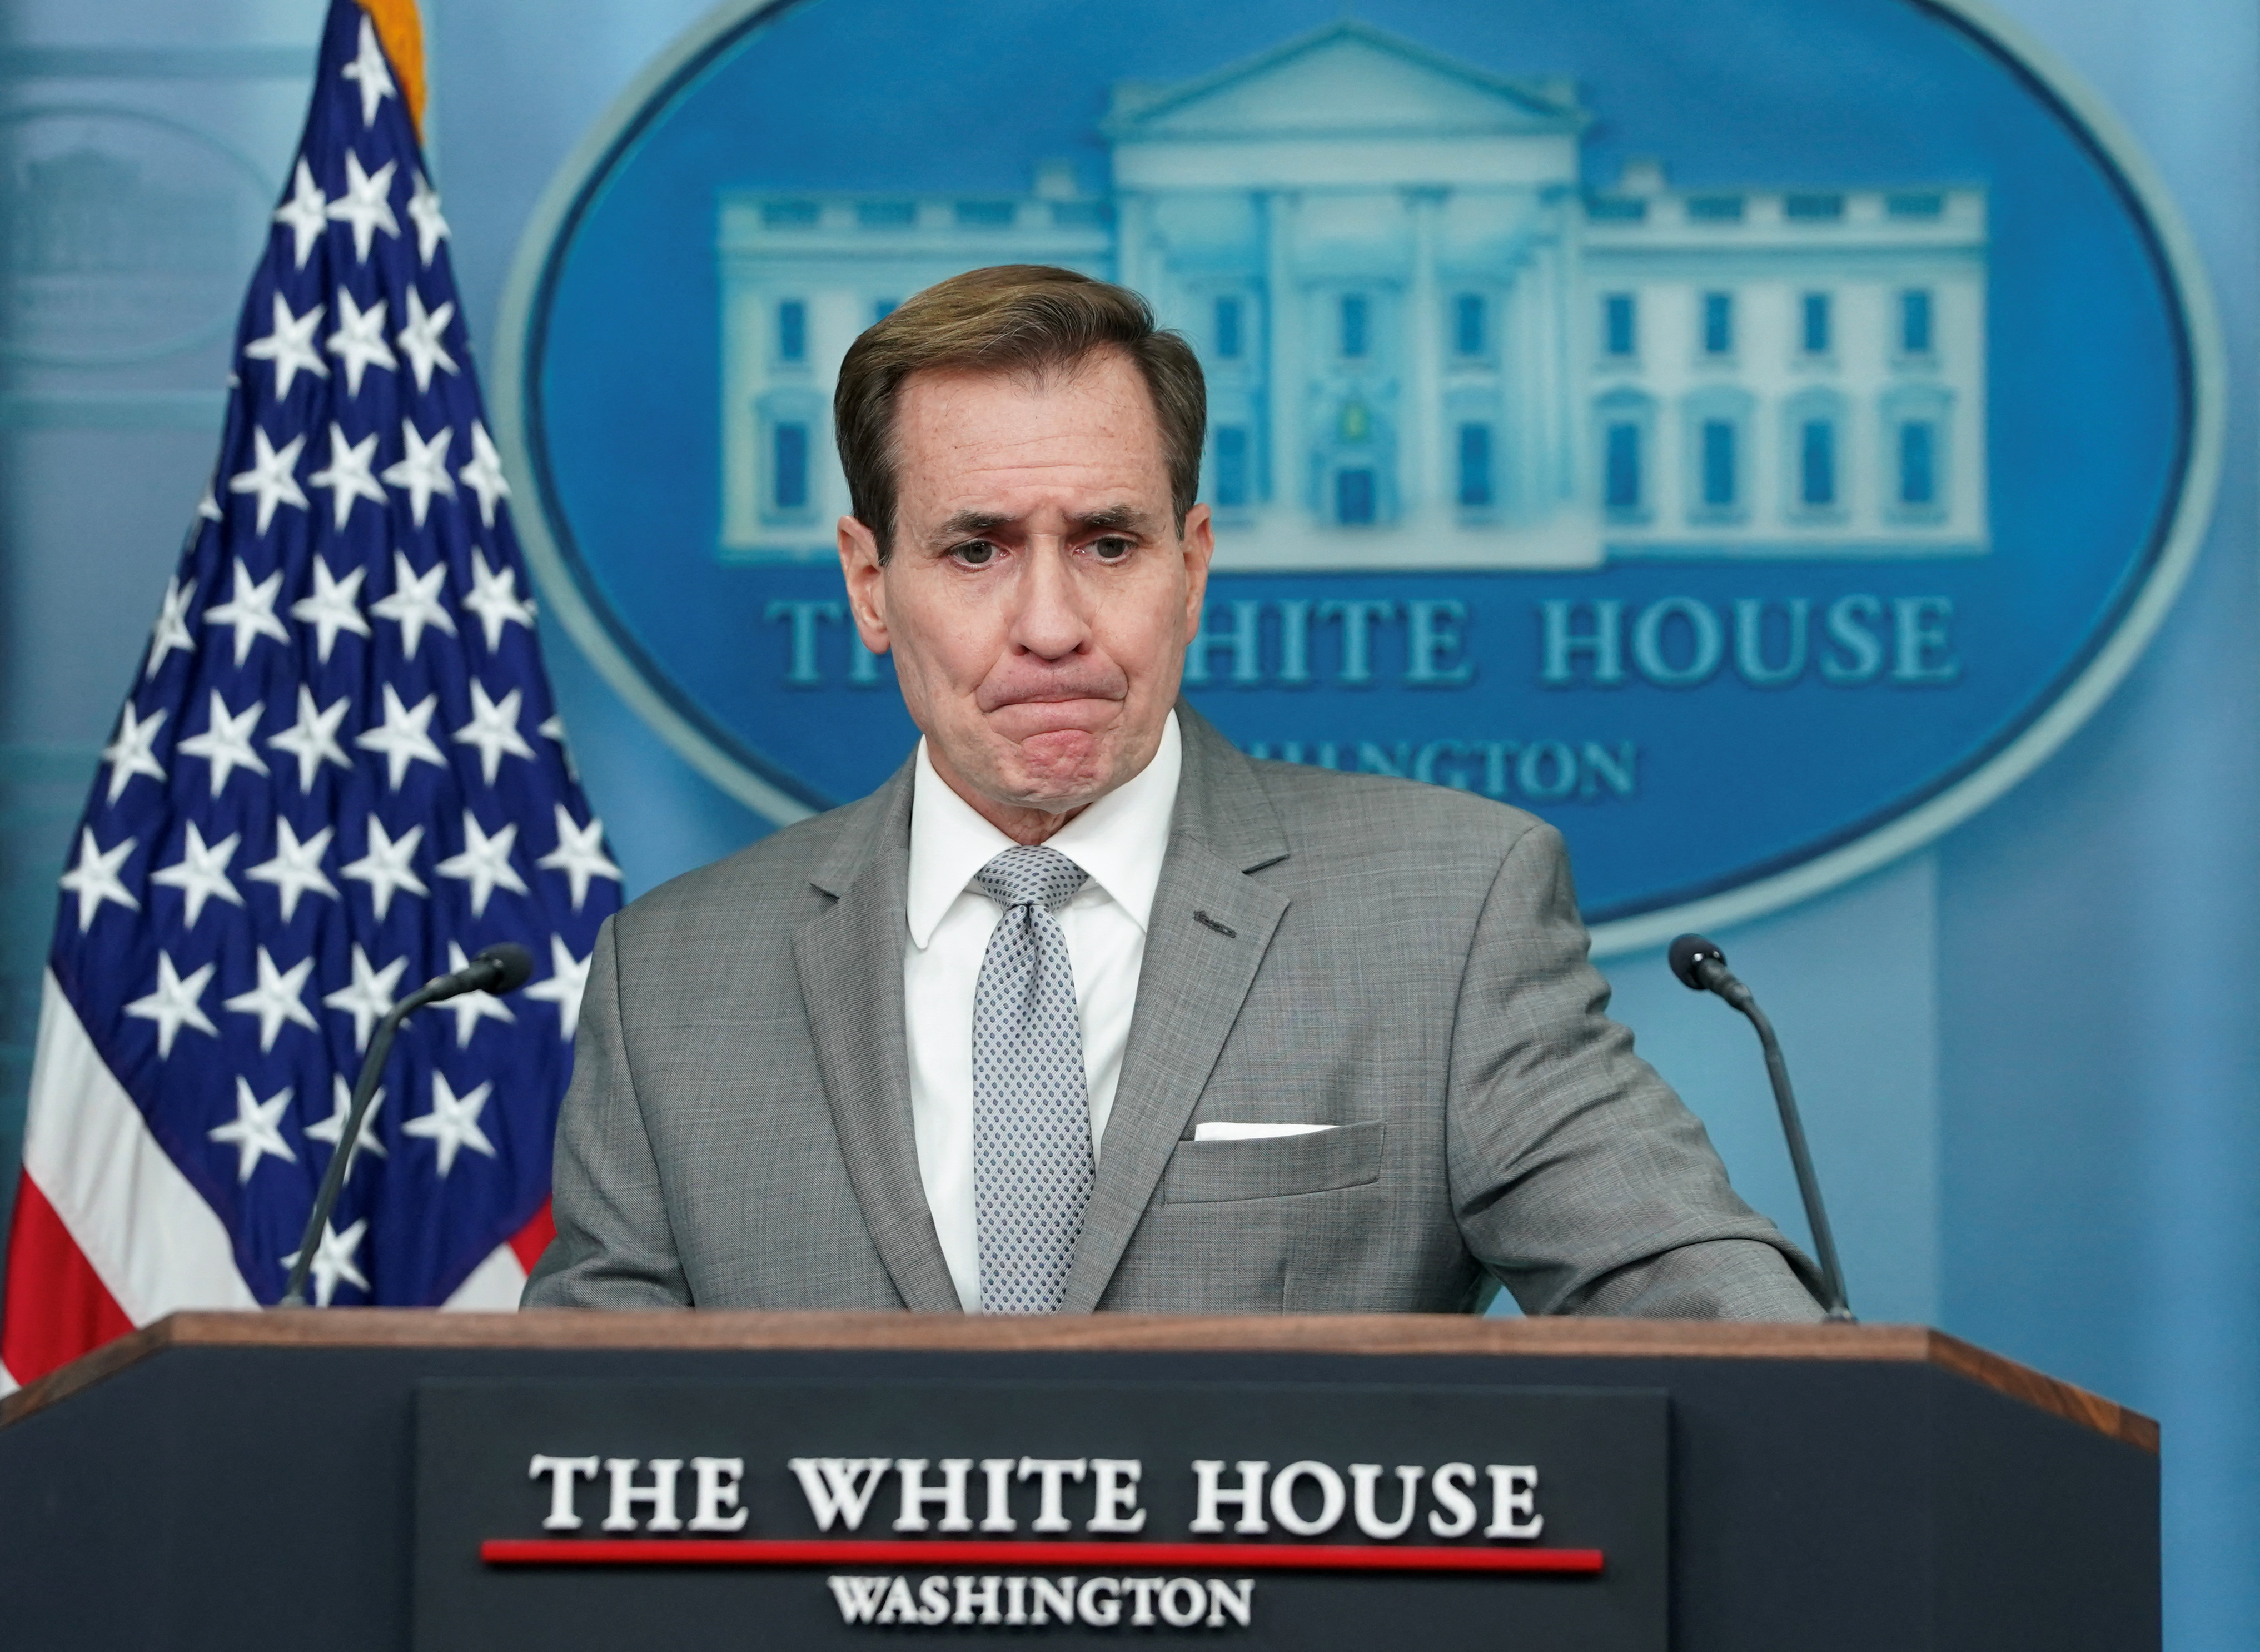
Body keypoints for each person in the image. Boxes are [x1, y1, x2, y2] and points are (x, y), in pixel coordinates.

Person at [525, 265, 1823, 1320]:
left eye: (1108, 543)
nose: (1050, 624)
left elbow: (1709, 1318)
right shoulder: (672, 981)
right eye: (975, 550)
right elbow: (557, 1453)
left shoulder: (1448, 919)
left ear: (1190, 565)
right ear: (870, 583)